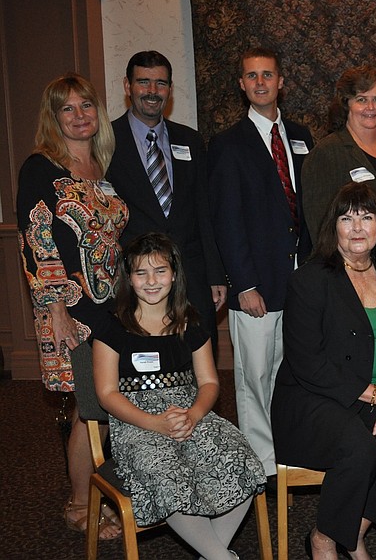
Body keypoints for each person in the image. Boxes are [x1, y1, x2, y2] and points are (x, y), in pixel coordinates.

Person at [271, 182, 376, 559]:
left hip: (372, 395)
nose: (357, 227)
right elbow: (308, 362)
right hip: (313, 400)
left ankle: (350, 531)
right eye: (347, 217)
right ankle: (324, 539)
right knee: (359, 446)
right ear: (333, 227)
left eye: (366, 217)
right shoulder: (309, 280)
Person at [92, 232, 265, 560]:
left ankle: (211, 555)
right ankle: (220, 557)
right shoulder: (112, 327)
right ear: (129, 279)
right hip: (136, 420)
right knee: (167, 474)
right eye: (141, 273)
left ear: (174, 274)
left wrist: (193, 415)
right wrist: (154, 423)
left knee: (244, 461)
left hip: (190, 414)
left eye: (160, 271)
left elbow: (209, 383)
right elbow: (106, 393)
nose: (151, 281)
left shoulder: (192, 322)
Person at [17, 72, 127, 541]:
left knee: (110, 403)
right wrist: (56, 308)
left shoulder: (103, 167)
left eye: (86, 106)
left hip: (113, 308)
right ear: (53, 117)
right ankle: (79, 503)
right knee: (89, 406)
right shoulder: (41, 167)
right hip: (72, 310)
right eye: (68, 108)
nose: (80, 115)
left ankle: (103, 492)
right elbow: (38, 240)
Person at [208, 47, 314, 477]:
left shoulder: (302, 136)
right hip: (255, 282)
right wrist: (243, 284)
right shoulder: (227, 145)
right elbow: (225, 219)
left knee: (292, 371)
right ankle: (262, 469)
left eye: (267, 75)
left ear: (281, 81)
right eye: (251, 76)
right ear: (241, 84)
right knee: (254, 378)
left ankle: (288, 455)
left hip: (300, 278)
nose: (260, 83)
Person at [107, 50, 226, 343]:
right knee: (143, 362)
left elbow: (203, 211)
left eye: (160, 84)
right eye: (143, 82)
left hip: (191, 275)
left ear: (170, 90)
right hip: (135, 278)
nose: (152, 91)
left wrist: (215, 273)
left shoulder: (191, 140)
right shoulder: (105, 141)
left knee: (199, 362)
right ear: (127, 86)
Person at [302, 65, 376, 296]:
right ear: (346, 104)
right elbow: (319, 226)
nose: (370, 107)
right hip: (353, 275)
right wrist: (341, 277)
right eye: (361, 99)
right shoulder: (327, 152)